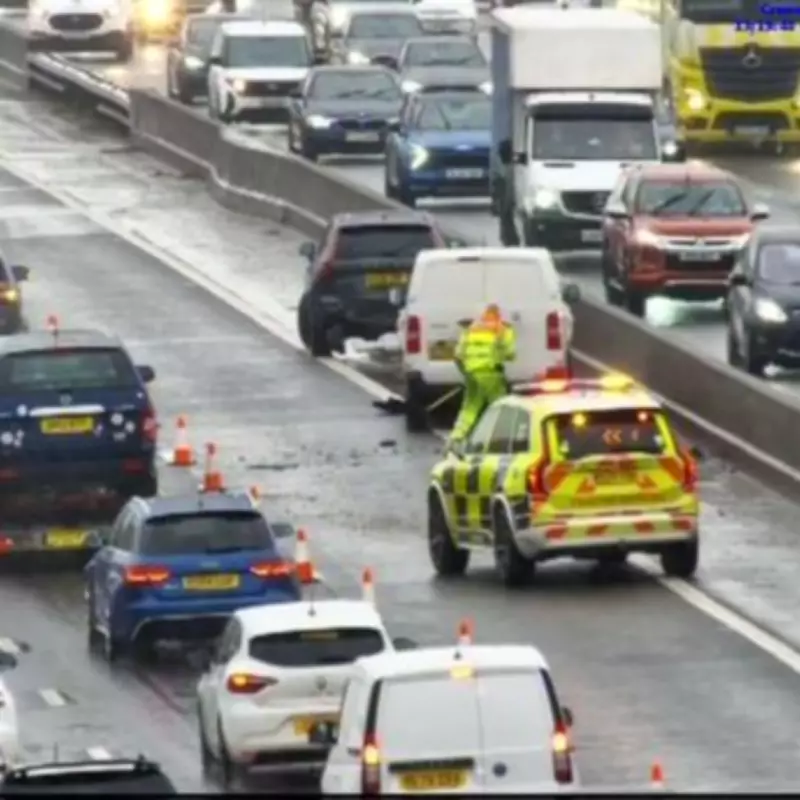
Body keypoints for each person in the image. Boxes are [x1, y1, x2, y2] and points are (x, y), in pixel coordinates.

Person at [450, 304, 517, 443]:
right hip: (490, 372)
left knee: (470, 405)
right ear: (499, 316)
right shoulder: (502, 329)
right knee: (500, 406)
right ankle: (501, 439)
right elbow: (510, 353)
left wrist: (466, 372)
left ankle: (457, 436)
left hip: (471, 372)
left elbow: (458, 355)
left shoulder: (472, 329)